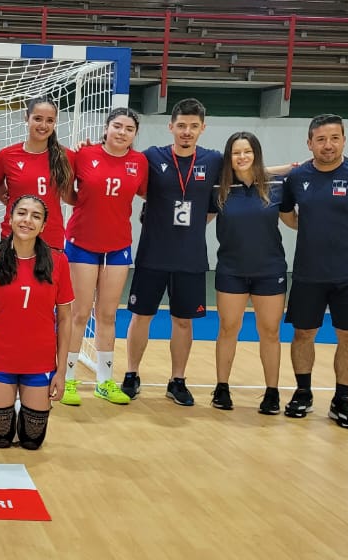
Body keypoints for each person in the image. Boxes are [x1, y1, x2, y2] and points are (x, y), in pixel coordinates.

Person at [279, 114, 348, 430]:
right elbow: (286, 212)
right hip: (308, 273)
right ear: (309, 143)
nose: (328, 145)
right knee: (303, 334)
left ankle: (342, 399)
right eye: (321, 139)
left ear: (343, 140)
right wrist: (308, 227)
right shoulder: (297, 177)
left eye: (334, 138)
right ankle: (303, 393)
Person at [125, 98, 222, 406]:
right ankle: (131, 374)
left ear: (203, 128)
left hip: (190, 258)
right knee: (141, 316)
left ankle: (177, 380)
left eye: (193, 126)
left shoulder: (213, 160)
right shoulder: (152, 156)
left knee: (183, 321)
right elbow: (120, 162)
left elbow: (247, 172)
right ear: (171, 127)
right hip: (152, 254)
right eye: (181, 125)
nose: (186, 131)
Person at [61, 107, 148, 407]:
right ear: (106, 128)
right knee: (79, 313)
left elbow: (146, 194)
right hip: (82, 243)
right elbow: (67, 192)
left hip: (118, 246)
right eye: (117, 126)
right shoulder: (84, 155)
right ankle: (67, 379)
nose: (122, 132)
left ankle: (104, 381)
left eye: (129, 129)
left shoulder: (139, 162)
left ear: (135, 134)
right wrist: (85, 203)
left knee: (108, 314)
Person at [0, 195, 74, 450]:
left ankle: (24, 410)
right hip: (0, 357)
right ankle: (3, 416)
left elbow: (65, 319)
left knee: (32, 440)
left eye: (35, 216)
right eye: (21, 213)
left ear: (43, 226)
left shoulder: (58, 261)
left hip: (40, 361)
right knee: (1, 437)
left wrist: (61, 371)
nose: (27, 220)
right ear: (10, 219)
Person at [212, 132, 287, 414]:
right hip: (231, 270)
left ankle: (272, 392)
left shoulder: (277, 187)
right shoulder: (218, 188)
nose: (242, 157)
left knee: (270, 331)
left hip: (270, 270)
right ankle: (222, 388)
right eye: (236, 152)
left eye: (247, 151)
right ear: (228, 157)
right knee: (228, 328)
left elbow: (293, 220)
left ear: (256, 154)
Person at [0, 97, 75, 248]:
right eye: (38, 119)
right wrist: (11, 201)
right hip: (13, 236)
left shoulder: (67, 157)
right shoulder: (7, 156)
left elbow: (69, 196)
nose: (43, 125)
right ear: (26, 118)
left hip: (50, 237)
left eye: (50, 120)